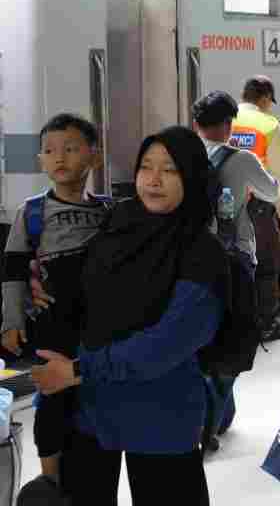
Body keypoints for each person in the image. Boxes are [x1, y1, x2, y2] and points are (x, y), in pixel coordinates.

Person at [31, 126, 228, 506]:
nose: (153, 180)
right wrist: (38, 285)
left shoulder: (202, 252)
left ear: (191, 175)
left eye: (169, 170)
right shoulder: (117, 223)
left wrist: (77, 370)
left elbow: (166, 345)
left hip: (160, 417)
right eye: (146, 167)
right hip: (90, 411)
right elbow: (82, 292)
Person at [2, 115, 107, 496]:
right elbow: (14, 271)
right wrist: (12, 322)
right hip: (52, 323)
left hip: (97, 325)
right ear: (41, 160)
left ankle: (91, 469)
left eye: (71, 149)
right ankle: (51, 484)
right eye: (49, 151)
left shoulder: (109, 212)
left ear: (95, 157)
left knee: (90, 396)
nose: (59, 157)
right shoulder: (31, 212)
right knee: (51, 398)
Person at [191, 92, 279, 451]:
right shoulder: (241, 158)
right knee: (234, 337)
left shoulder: (186, 155)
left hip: (194, 259)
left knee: (203, 337)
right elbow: (271, 192)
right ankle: (210, 423)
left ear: (196, 124)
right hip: (235, 257)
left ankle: (221, 416)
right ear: (229, 125)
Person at [232, 76, 280, 342]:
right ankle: (267, 324)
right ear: (265, 98)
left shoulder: (228, 119)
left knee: (236, 262)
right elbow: (278, 174)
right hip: (257, 204)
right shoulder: (269, 124)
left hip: (228, 202)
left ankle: (239, 323)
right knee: (267, 263)